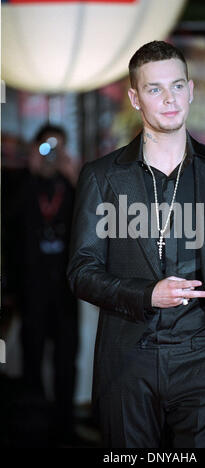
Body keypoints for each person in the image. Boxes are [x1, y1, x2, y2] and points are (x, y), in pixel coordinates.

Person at [67, 41, 205, 448]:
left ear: (192, 90)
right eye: (155, 89)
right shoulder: (102, 176)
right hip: (129, 362)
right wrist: (147, 294)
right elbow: (81, 272)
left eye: (177, 86)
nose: (170, 98)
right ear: (135, 98)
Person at [14, 124, 79, 446]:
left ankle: (64, 428)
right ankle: (32, 426)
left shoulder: (73, 186)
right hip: (32, 287)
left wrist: (75, 178)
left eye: (58, 148)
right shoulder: (24, 185)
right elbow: (10, 222)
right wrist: (30, 173)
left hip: (67, 290)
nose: (52, 155)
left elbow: (94, 220)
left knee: (67, 359)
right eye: (46, 148)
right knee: (32, 356)